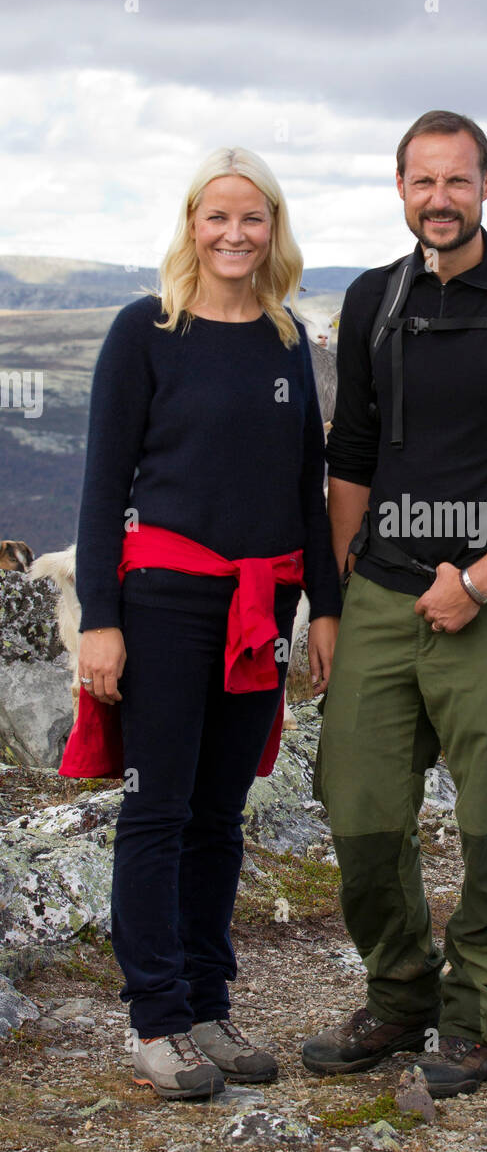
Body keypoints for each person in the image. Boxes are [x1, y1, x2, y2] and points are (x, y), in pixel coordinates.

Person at [302, 110, 487, 1098]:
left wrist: (477, 581)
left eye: (457, 181)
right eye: (422, 181)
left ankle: (474, 1021)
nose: (439, 199)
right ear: (401, 189)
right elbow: (352, 454)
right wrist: (337, 598)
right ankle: (399, 994)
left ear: (486, 188)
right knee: (357, 806)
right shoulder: (373, 300)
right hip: (383, 593)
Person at [70, 147, 341, 1099]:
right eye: (217, 216)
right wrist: (99, 620)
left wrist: (325, 608)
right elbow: (103, 484)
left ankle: (208, 1007)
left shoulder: (285, 338)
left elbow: (307, 487)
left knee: (222, 815)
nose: (235, 233)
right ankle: (157, 1021)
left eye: (252, 217)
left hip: (262, 606)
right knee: (159, 809)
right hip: (165, 604)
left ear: (275, 228)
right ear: (192, 224)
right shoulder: (144, 330)